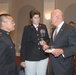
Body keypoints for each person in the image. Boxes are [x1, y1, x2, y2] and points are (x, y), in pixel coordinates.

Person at [43, 9, 76, 75]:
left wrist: (62, 51)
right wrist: (48, 47)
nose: (50, 19)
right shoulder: (54, 30)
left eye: (51, 17)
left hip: (64, 68)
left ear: (57, 17)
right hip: (53, 67)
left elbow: (74, 47)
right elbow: (55, 46)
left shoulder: (69, 29)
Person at [20, 9, 50, 75]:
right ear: (31, 19)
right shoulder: (27, 29)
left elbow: (47, 39)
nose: (37, 19)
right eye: (35, 18)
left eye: (38, 17)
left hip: (42, 57)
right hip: (30, 58)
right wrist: (22, 60)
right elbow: (23, 44)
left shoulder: (43, 27)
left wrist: (45, 42)